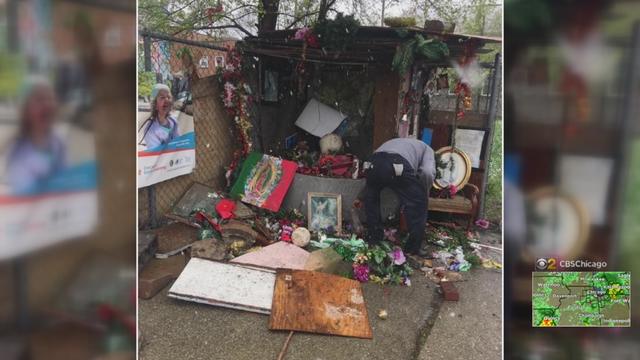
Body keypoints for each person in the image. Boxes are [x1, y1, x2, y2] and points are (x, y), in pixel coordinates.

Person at [362, 137, 435, 256]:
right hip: (398, 164)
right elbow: (427, 172)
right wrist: (423, 193)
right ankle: (412, 248)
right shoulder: (428, 149)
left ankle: (374, 239)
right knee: (418, 204)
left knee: (372, 199)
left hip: (374, 162)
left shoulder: (397, 142)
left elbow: (372, 181)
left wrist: (361, 197)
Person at [5, 77, 66, 195]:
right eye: (39, 99)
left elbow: (65, 178)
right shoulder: (18, 149)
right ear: (26, 111)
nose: (47, 104)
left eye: (50, 98)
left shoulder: (58, 143)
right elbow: (22, 191)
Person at [139, 83, 180, 149]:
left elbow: (178, 142)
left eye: (168, 97)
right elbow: (155, 154)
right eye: (162, 97)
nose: (167, 100)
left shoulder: (174, 122)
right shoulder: (150, 130)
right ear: (155, 105)